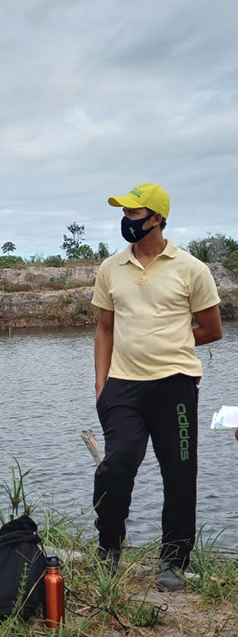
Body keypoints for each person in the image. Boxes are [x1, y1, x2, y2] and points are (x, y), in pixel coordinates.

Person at [92, 183, 222, 591]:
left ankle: (173, 562)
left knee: (179, 475)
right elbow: (104, 328)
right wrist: (101, 384)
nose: (126, 220)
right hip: (123, 387)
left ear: (158, 218)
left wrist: (173, 343)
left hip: (176, 386)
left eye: (134, 213)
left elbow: (212, 329)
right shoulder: (111, 268)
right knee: (117, 464)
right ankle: (108, 548)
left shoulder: (191, 269)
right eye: (125, 213)